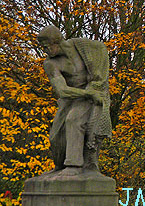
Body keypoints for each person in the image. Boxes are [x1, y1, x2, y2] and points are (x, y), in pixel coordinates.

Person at [37, 25, 111, 175]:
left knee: (73, 120)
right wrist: (87, 94)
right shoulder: (51, 63)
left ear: (56, 42)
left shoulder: (83, 47)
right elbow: (62, 91)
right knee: (55, 137)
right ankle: (60, 166)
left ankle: (74, 165)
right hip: (72, 98)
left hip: (92, 93)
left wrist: (97, 83)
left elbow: (102, 50)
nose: (45, 51)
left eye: (46, 47)